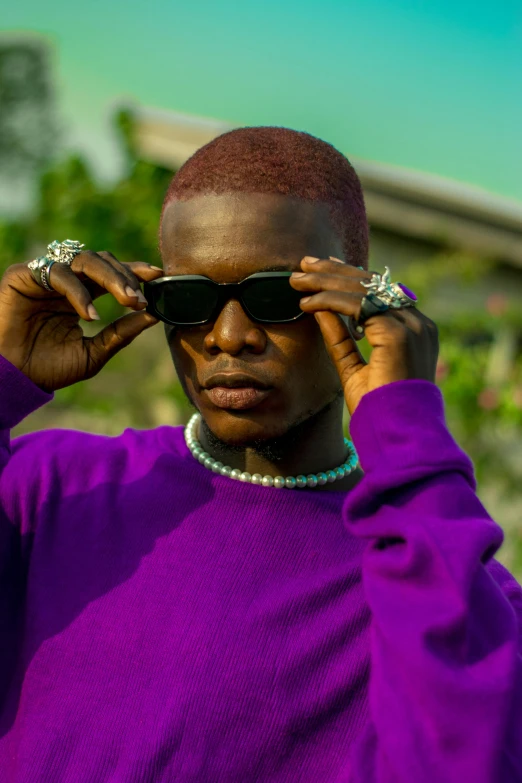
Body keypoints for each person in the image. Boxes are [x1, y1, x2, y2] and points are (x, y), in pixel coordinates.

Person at [0, 126, 520, 783]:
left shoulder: (448, 584)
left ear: (360, 301)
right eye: (189, 301)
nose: (229, 335)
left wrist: (407, 427)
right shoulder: (51, 490)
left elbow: (464, 762)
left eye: (276, 297)